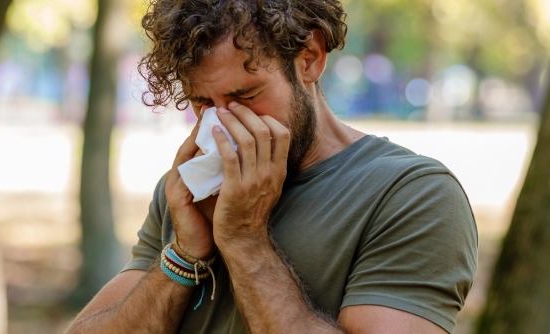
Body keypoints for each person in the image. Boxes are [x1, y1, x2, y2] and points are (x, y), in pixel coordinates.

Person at [65, 0, 477, 333]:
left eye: (244, 96)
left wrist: (245, 240)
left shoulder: (412, 195)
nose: (223, 126)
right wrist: (183, 255)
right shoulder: (189, 190)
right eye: (203, 104)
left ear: (310, 58)